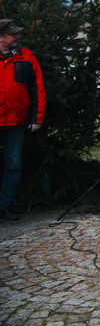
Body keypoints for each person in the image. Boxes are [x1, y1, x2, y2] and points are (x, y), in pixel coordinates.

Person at [0, 19, 45, 222]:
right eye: (12, 34)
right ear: (1, 37)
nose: (17, 36)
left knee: (13, 165)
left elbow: (37, 88)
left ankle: (5, 205)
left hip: (16, 122)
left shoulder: (27, 57)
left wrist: (37, 117)